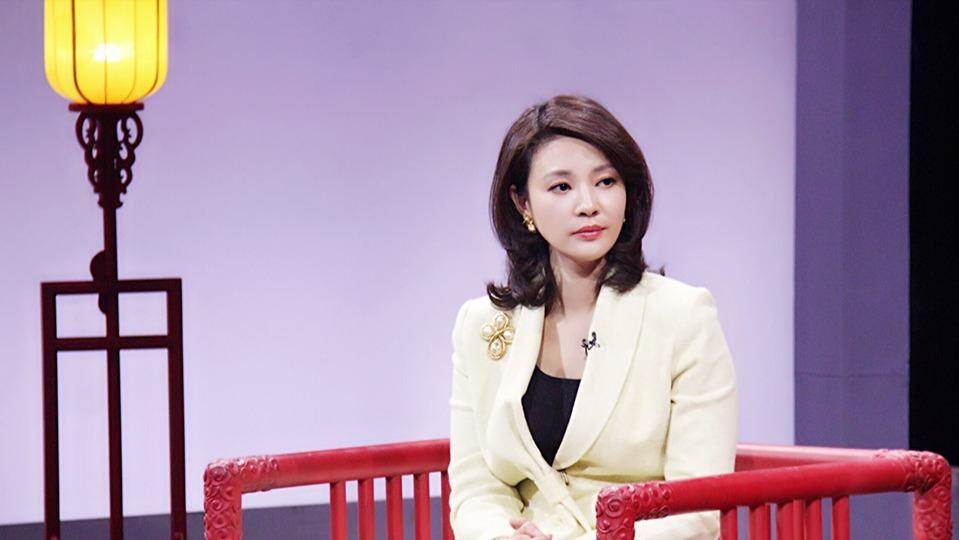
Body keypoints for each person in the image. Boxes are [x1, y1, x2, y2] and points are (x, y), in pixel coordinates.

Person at [447, 94, 738, 540]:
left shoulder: (683, 317)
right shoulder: (480, 325)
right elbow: (476, 489)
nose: (588, 204)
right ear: (523, 203)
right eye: (561, 187)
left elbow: (695, 509)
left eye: (605, 182)